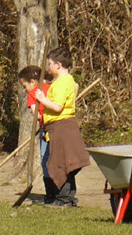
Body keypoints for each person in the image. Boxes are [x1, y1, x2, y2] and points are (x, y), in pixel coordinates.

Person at [32, 49, 91, 207]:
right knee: (61, 162)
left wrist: (42, 99)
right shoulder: (67, 81)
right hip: (57, 127)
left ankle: (64, 199)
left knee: (62, 164)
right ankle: (63, 198)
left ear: (58, 65)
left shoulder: (62, 83)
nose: (48, 67)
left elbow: (57, 107)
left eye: (50, 64)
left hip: (61, 127)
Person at [18, 64, 50, 168]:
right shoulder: (51, 87)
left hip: (46, 129)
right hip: (58, 126)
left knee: (45, 157)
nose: (25, 89)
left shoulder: (32, 94)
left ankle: (47, 178)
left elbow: (36, 115)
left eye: (24, 86)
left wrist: (43, 117)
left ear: (32, 82)